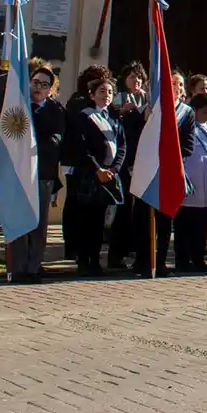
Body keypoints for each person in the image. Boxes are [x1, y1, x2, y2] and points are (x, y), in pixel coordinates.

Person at [10, 60, 65, 283]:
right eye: (35, 82)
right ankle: (18, 266)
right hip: (19, 172)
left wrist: (32, 140)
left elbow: (57, 139)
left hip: (42, 172)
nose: (39, 87)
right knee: (19, 220)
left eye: (44, 84)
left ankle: (34, 266)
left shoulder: (56, 110)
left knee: (38, 222)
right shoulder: (18, 106)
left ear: (51, 89)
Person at [68, 74, 127, 276]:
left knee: (101, 222)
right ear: (92, 95)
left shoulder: (115, 118)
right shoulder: (84, 116)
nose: (106, 95)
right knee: (86, 221)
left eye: (110, 92)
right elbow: (81, 146)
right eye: (102, 91)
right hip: (90, 176)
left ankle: (96, 259)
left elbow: (122, 146)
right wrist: (97, 170)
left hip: (109, 176)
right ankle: (84, 261)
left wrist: (114, 169)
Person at [61, 65, 110, 260]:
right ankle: (72, 246)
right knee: (74, 203)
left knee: (92, 206)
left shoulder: (103, 107)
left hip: (97, 164)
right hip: (76, 160)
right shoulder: (78, 101)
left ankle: (87, 248)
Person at [108, 62, 147, 270]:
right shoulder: (118, 99)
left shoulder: (147, 100)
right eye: (132, 77)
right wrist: (124, 112)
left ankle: (136, 251)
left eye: (139, 77)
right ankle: (116, 254)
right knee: (123, 209)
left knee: (138, 210)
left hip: (142, 160)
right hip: (125, 160)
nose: (137, 81)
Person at [177, 93, 207, 272]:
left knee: (202, 221)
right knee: (185, 221)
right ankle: (182, 259)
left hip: (206, 180)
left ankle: (199, 256)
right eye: (204, 110)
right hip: (191, 177)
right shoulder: (187, 127)